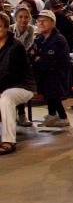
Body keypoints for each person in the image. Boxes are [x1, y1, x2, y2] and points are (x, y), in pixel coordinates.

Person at [0, 12, 36, 154]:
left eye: (0, 26)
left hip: (22, 86)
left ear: (6, 28)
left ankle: (9, 141)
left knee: (6, 98)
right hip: (3, 86)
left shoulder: (15, 46)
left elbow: (12, 75)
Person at [31, 10, 71, 128]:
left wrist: (39, 58)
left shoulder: (58, 39)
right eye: (38, 21)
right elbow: (34, 55)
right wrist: (38, 58)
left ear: (53, 23)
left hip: (58, 75)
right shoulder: (39, 38)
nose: (40, 23)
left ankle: (63, 118)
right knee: (48, 92)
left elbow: (49, 60)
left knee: (53, 92)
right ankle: (52, 115)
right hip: (45, 73)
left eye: (44, 21)